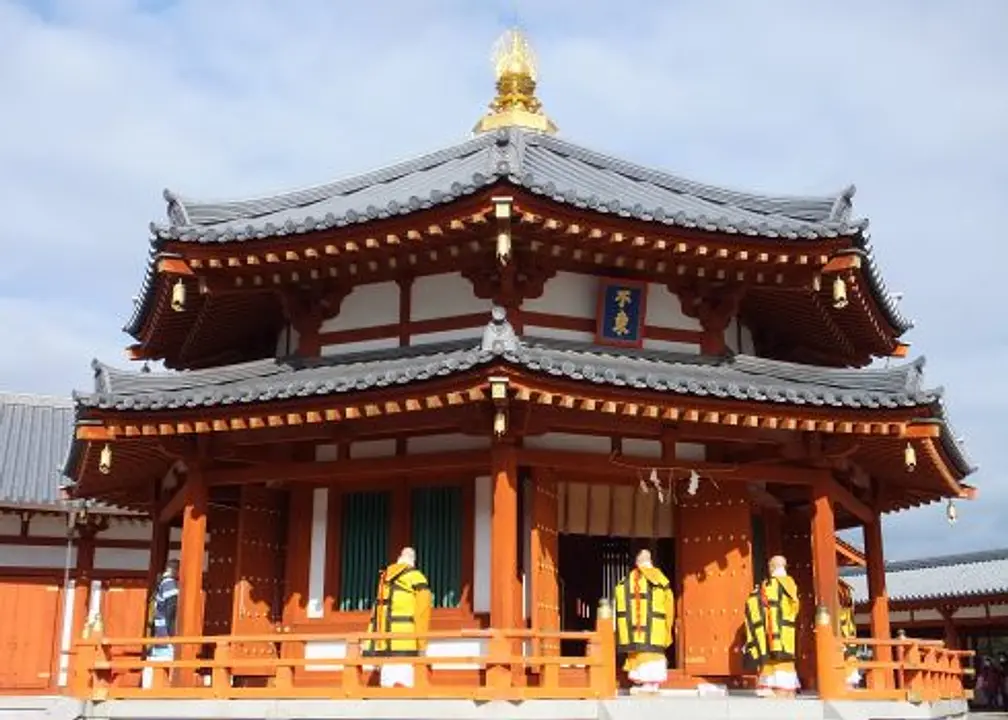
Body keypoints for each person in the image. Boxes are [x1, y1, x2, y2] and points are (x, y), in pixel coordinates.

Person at [364, 547, 432, 689]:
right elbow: (422, 613)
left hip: (384, 644)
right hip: (407, 642)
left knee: (387, 687)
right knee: (404, 688)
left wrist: (372, 646)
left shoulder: (384, 579)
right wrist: (422, 645)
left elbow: (377, 613)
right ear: (413, 561)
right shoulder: (416, 577)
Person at [613, 548, 674, 694]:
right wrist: (667, 627)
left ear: (636, 563)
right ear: (651, 562)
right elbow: (669, 607)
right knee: (654, 657)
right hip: (656, 630)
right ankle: (653, 685)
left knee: (640, 658)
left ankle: (644, 685)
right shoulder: (662, 580)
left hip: (635, 632)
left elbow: (618, 608)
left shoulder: (624, 582)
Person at [743, 554, 800, 698]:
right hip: (786, 633)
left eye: (770, 566)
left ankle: (777, 693)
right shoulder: (791, 584)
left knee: (775, 668)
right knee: (785, 668)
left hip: (773, 633)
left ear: (773, 567)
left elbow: (756, 603)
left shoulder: (770, 585)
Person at [142, 558, 179, 688]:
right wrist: (174, 635)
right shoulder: (169, 584)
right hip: (167, 635)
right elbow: (171, 611)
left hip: (159, 634)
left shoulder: (161, 584)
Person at [837, 579, 861, 688]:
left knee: (849, 661)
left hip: (846, 639)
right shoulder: (848, 611)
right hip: (848, 639)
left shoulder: (845, 612)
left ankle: (848, 685)